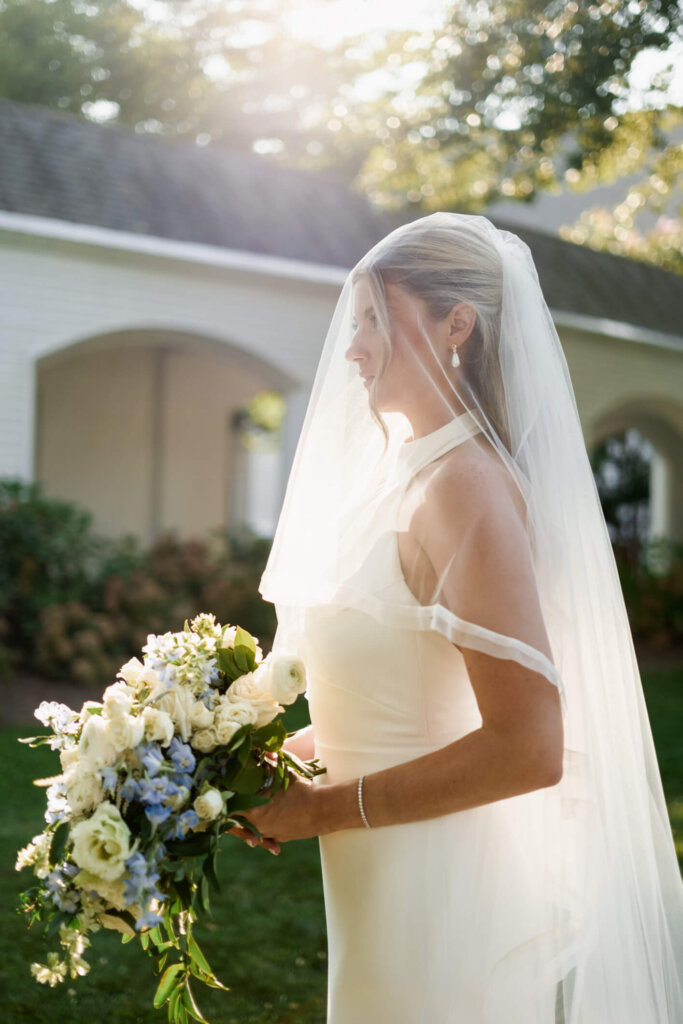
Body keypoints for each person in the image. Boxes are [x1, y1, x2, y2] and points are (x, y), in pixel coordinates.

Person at [233, 213, 683, 1022]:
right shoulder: (404, 479)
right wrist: (239, 774)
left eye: (374, 316)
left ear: (456, 325)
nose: (354, 346)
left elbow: (528, 747)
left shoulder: (464, 486)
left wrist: (320, 810)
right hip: (373, 882)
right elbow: (389, 699)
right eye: (356, 318)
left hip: (440, 893)